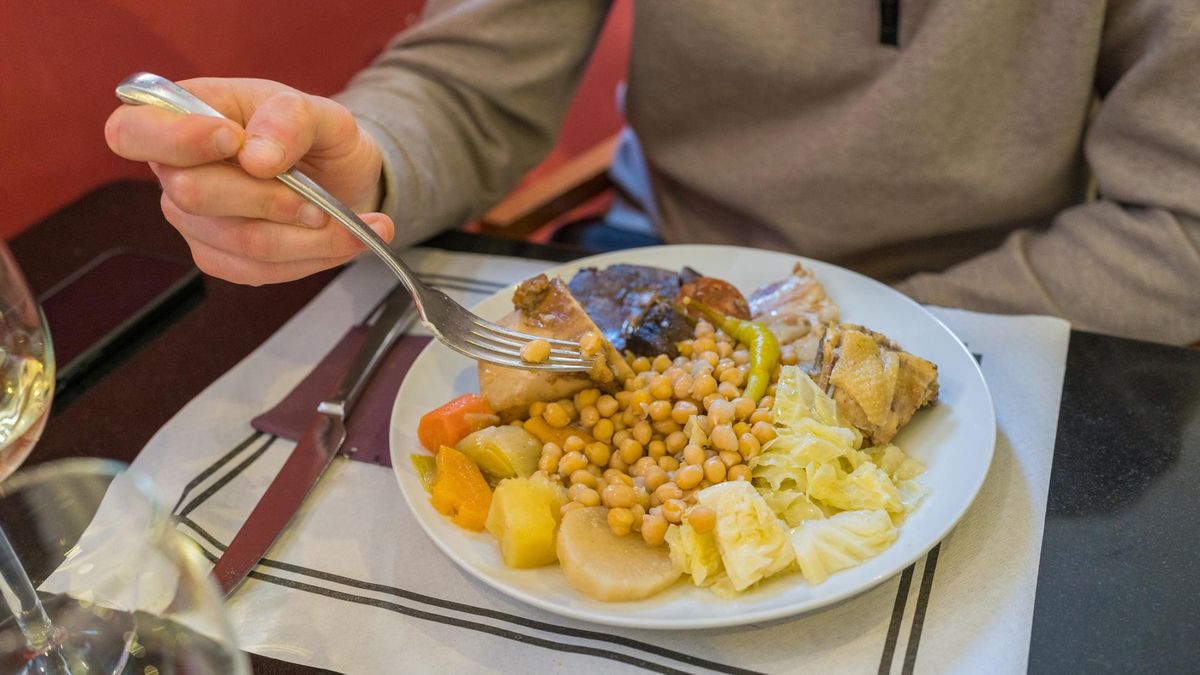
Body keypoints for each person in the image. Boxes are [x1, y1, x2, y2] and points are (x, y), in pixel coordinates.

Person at [105, 0, 1200, 345]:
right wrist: (366, 160)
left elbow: (1180, 231)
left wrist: (848, 336)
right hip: (658, 268)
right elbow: (467, 85)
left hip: (1001, 308)